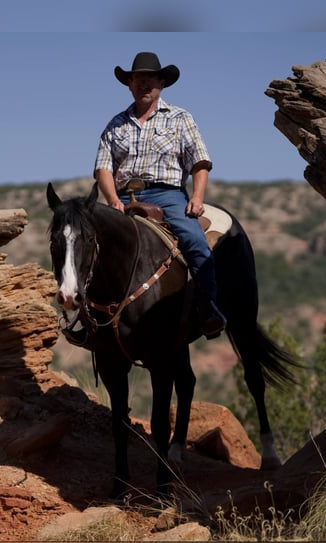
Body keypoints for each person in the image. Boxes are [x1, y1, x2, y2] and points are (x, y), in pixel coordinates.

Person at [94, 51, 227, 339]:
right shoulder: (115, 124)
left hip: (167, 195)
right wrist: (112, 200)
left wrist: (197, 196)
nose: (144, 85)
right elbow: (103, 167)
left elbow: (199, 162)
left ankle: (208, 308)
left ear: (161, 84)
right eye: (138, 80)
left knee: (194, 241)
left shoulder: (180, 118)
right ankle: (87, 318)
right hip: (123, 197)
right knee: (84, 242)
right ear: (129, 83)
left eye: (150, 80)